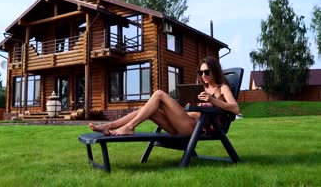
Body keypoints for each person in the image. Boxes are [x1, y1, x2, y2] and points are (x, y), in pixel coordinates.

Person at [88, 56, 240, 136]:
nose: (204, 75)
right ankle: (109, 126)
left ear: (214, 71)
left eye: (207, 72)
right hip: (182, 124)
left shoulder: (223, 88)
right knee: (147, 110)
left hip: (195, 128)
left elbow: (235, 109)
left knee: (159, 94)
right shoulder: (201, 89)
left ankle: (129, 127)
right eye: (201, 72)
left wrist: (212, 100)